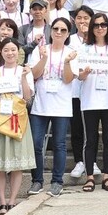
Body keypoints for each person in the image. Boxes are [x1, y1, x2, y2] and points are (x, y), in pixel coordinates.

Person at [0, 38, 36, 215]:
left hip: (18, 116)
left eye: (13, 50)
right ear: (1, 52)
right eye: (6, 50)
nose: (10, 53)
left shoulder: (24, 71)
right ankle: (2, 202)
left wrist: (22, 78)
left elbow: (27, 98)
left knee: (16, 162)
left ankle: (13, 200)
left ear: (18, 52)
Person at [27, 17, 76, 198]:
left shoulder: (71, 52)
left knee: (59, 144)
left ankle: (57, 181)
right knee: (36, 143)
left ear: (68, 33)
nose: (59, 32)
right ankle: (37, 179)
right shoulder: (40, 51)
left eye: (63, 30)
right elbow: (34, 74)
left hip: (61, 105)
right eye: (56, 28)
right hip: (41, 104)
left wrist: (67, 62)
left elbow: (68, 79)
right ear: (50, 30)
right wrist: (44, 58)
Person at [77, 13, 108, 192]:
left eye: (103, 25)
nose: (100, 28)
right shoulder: (85, 49)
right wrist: (85, 73)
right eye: (96, 25)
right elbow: (79, 75)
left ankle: (106, 176)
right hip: (90, 100)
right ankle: (89, 177)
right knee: (91, 139)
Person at [68, 6, 93, 180]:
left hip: (92, 91)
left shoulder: (96, 40)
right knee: (77, 127)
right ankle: (79, 160)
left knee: (91, 128)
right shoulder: (68, 40)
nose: (83, 21)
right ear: (74, 20)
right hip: (74, 90)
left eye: (86, 18)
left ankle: (92, 161)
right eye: (79, 18)